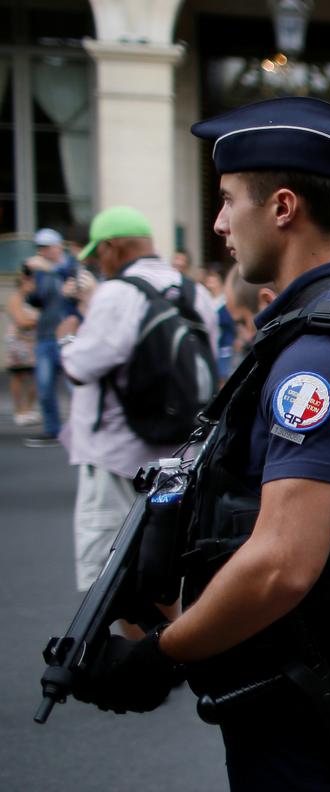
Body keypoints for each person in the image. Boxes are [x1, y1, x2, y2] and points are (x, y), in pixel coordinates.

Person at [72, 96, 330, 791]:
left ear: (283, 207)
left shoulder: (321, 356)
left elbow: (282, 563)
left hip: (297, 668)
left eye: (227, 201)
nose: (219, 223)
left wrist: (163, 655)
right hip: (315, 662)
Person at [58, 206, 219, 596]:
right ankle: (171, 652)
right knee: (164, 574)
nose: (99, 263)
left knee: (117, 585)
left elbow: (83, 366)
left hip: (115, 453)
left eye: (99, 254)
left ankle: (149, 656)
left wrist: (68, 338)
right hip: (180, 454)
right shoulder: (193, 290)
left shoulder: (116, 294)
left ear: (113, 248)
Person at [24, 227, 79, 446]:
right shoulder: (39, 272)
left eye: (46, 247)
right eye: (39, 248)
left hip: (67, 335)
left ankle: (81, 430)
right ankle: (52, 429)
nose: (42, 252)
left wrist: (48, 267)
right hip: (45, 333)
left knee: (76, 386)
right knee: (45, 386)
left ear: (58, 247)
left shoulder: (70, 266)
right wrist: (29, 290)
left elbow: (74, 283)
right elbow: (37, 300)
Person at [6, 264, 39, 425]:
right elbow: (22, 321)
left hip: (32, 341)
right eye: (30, 282)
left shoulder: (32, 299)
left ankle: (29, 409)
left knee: (34, 376)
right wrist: (37, 320)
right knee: (19, 375)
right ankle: (19, 411)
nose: (33, 285)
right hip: (19, 342)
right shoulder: (16, 298)